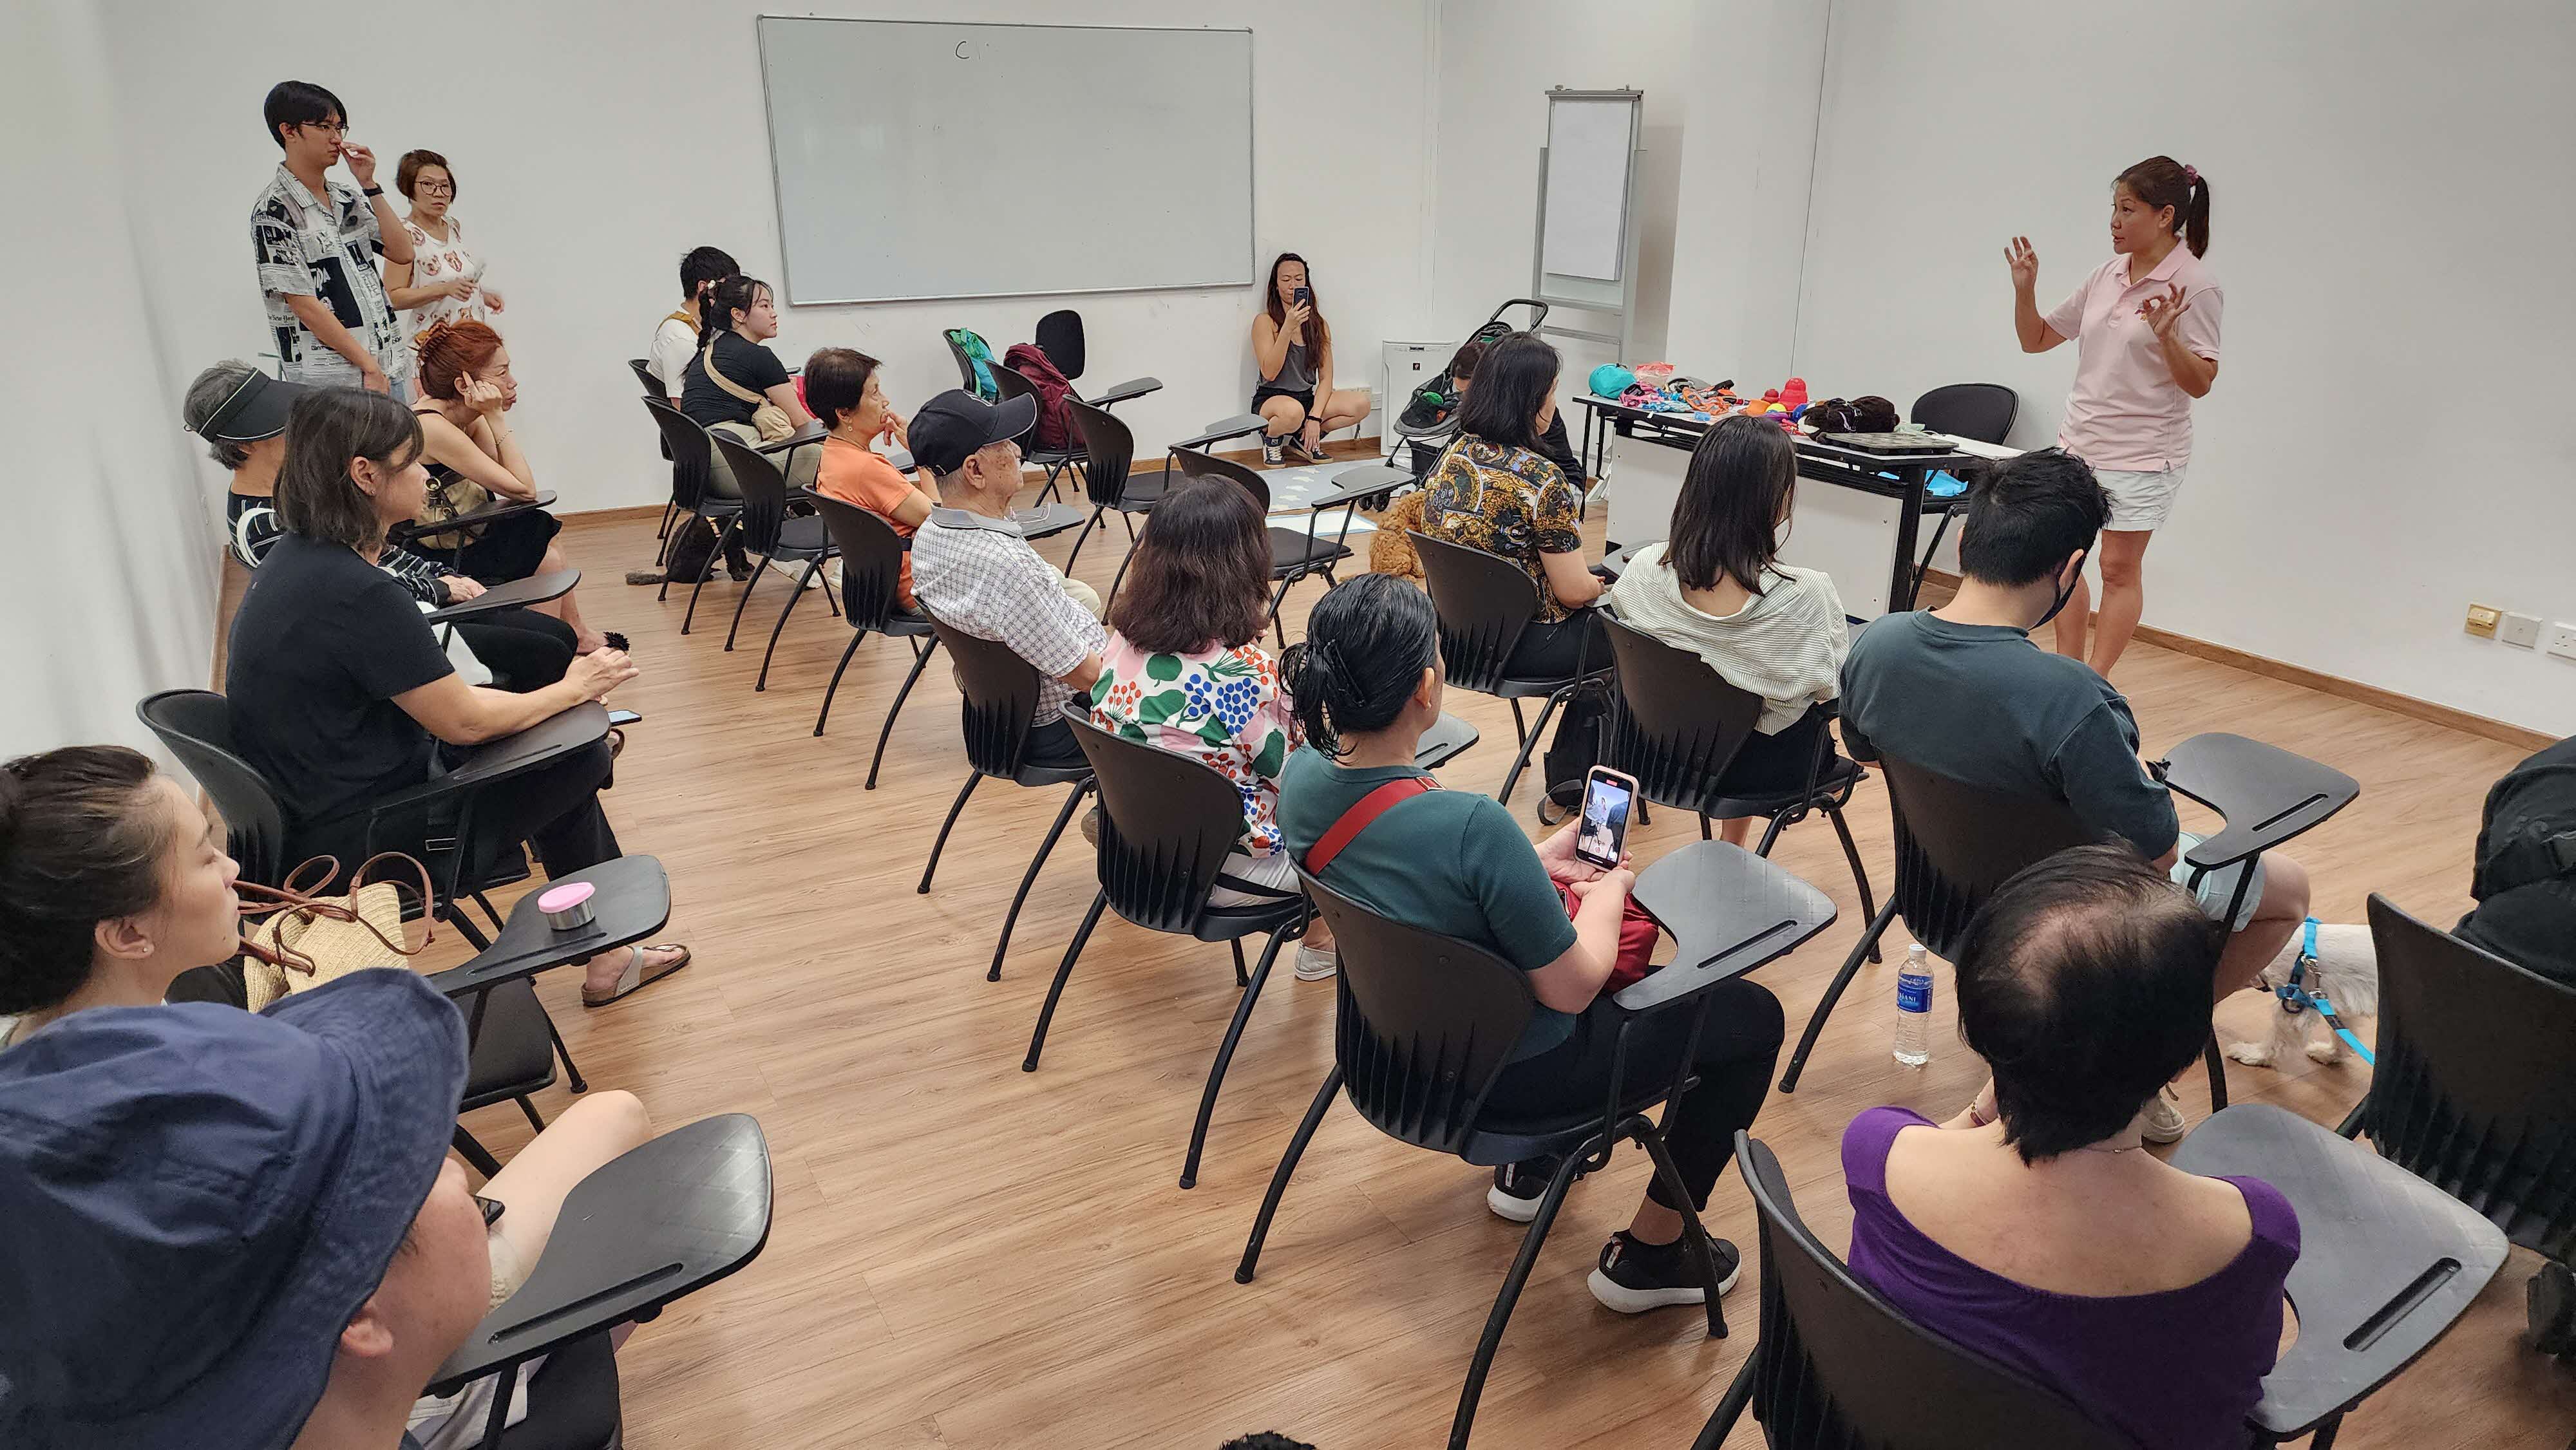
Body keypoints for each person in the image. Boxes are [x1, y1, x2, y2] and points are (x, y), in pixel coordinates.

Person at [0, 745, 658, 1449]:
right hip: (377, 1380)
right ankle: (518, 1371)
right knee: (616, 1118)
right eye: (202, 858)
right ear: (127, 932)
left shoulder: (45, 1089)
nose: (231, 869)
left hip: (321, 1352)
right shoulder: (172, 1114)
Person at [1277, 574, 1786, 1313]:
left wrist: (1532, 861)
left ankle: (1531, 1169)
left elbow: (1426, 885)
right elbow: (1576, 984)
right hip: (1507, 1080)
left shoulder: (1302, 778)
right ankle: (1649, 1253)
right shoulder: (1467, 824)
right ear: (1426, 686)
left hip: (1392, 1054)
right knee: (1750, 1017)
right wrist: (1609, 890)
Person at [1836, 449, 2310, 1140]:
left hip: (1938, 901)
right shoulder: (2072, 699)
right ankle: (2137, 1065)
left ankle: (2104, 1061)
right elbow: (2157, 856)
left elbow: (1865, 751)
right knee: (2288, 892)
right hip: (2057, 936)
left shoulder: (1876, 645)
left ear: (1966, 539)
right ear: (2070, 567)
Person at [223, 387, 688, 1008]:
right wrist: (577, 686)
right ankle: (606, 954)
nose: (424, 474)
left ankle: (606, 955)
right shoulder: (355, 592)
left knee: (563, 747)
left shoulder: (303, 562)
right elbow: (465, 722)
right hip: (366, 841)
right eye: (413, 462)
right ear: (365, 475)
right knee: (576, 760)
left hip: (318, 818)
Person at [1843, 843, 2298, 1450]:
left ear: (1979, 1025)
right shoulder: (2250, 1233)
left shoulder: (1879, 1153)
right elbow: (2239, 1385)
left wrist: (1986, 1104)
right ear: (2186, 1061)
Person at [186, 360, 578, 690]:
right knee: (547, 646)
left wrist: (440, 574)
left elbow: (380, 551)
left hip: (410, 602)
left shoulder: (298, 487)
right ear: (244, 446)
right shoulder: (261, 528)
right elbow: (352, 589)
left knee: (552, 634)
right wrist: (441, 587)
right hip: (395, 630)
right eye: (281, 425)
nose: (299, 429)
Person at [1087, 478, 1337, 979]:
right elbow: (1308, 788)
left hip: (1138, 859)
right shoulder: (1244, 676)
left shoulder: (1120, 646)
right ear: (1246, 565)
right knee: (1359, 828)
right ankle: (1322, 942)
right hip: (1224, 874)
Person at [2007, 155, 2219, 677]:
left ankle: (2094, 683)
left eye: (2128, 210)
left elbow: (2201, 382)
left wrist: (2168, 336)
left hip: (2144, 452)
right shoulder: (2106, 274)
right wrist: (2025, 289)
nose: (2115, 222)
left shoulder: (2195, 285)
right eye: (2114, 209)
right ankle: (2066, 672)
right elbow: (2035, 340)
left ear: (2165, 215)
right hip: (2080, 442)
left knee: (2117, 569)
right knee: (2064, 563)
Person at [1605, 415, 1852, 845]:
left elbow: (1631, 627)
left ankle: (1728, 846)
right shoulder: (1806, 594)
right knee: (1775, 709)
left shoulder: (1644, 569)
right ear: (1777, 498)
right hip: (1755, 770)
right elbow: (1827, 690)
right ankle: (1730, 848)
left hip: (1660, 750)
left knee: (1732, 694)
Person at [911, 390, 1103, 771]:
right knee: (1207, 714)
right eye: (1003, 443)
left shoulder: (930, 535)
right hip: (1065, 725)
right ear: (975, 471)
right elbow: (1088, 675)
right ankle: (1138, 817)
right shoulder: (1003, 566)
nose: (1017, 450)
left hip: (999, 723)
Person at [409, 320, 620, 654]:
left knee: (538, 529)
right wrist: (496, 417)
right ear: (465, 384)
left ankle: (562, 640)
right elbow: (523, 489)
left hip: (464, 533)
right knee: (540, 535)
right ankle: (555, 646)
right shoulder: (432, 426)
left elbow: (513, 482)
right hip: (439, 551)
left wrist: (488, 417)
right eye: (502, 372)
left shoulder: (463, 416)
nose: (512, 381)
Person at [1419, 332, 1604, 680]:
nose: (1553, 403)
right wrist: (1602, 586)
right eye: (1552, 392)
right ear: (1531, 401)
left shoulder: (1452, 457)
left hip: (1455, 642)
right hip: (1524, 647)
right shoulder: (1542, 479)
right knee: (1633, 644)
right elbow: (1574, 592)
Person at [252, 80, 415, 395]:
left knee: (405, 446)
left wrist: (369, 184)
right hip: (333, 383)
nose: (337, 138)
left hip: (388, 363)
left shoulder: (346, 198)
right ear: (288, 131)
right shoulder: (274, 210)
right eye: (325, 126)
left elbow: (403, 251)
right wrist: (367, 366)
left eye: (340, 127)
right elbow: (304, 304)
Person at [806, 346, 930, 610]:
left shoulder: (831, 453)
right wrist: (922, 454)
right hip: (919, 587)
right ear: (844, 413)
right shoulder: (865, 469)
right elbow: (941, 519)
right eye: (874, 393)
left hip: (881, 587)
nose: (885, 400)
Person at [681, 274, 817, 496]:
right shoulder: (758, 356)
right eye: (764, 306)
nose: (773, 313)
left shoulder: (712, 350)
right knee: (836, 461)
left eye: (772, 306)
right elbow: (802, 423)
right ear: (738, 315)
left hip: (706, 469)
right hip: (737, 468)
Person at [1250, 253, 1370, 465]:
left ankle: (1303, 440)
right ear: (1275, 285)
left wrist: (1315, 418)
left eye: (1299, 279)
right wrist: (1287, 328)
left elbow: (1326, 379)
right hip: (1272, 400)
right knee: (1293, 412)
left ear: (1307, 282)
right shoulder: (1265, 322)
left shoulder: (1319, 325)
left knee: (1361, 404)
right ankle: (1272, 439)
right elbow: (1269, 372)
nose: (1292, 285)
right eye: (1286, 280)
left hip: (1305, 399)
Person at [385, 149, 500, 338]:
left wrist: (479, 295)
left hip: (468, 340)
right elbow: (393, 298)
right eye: (428, 185)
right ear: (408, 188)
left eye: (445, 185)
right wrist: (444, 289)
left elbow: (452, 280)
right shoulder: (403, 234)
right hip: (435, 349)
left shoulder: (452, 225)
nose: (439, 193)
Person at [650, 245, 739, 403]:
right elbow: (682, 410)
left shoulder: (705, 325)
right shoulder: (679, 337)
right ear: (704, 288)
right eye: (727, 287)